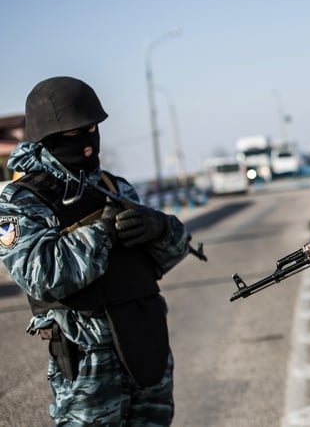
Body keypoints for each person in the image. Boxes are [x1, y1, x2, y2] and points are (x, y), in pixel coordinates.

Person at [0, 76, 190, 425]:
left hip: (146, 349)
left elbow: (165, 259)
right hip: (89, 367)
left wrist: (162, 228)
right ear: (47, 138)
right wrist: (102, 232)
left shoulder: (113, 187)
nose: (88, 144)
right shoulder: (20, 201)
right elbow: (41, 275)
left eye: (92, 130)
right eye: (75, 135)